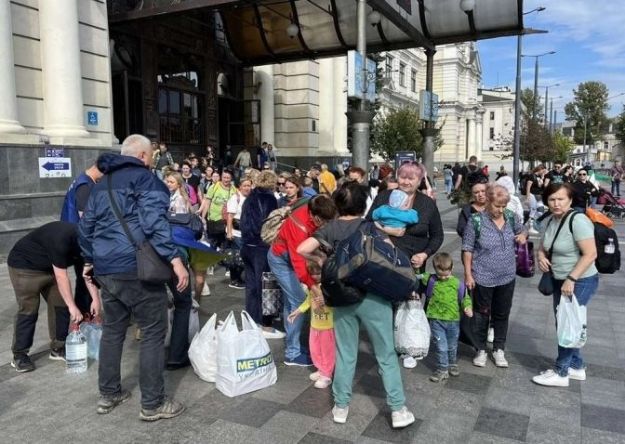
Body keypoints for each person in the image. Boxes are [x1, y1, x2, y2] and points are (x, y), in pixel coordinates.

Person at [78, 134, 189, 421]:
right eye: (151, 155)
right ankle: (152, 403)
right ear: (141, 155)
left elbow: (85, 227)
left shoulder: (101, 184)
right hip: (135, 267)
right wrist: (175, 259)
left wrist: (90, 259)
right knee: (153, 331)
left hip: (106, 268)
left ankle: (109, 393)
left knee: (113, 331)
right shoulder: (147, 181)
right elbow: (155, 224)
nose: (152, 159)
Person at [296, 182, 415, 429]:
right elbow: (390, 255)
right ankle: (398, 409)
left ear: (338, 204)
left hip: (341, 298)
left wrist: (323, 259)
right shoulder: (371, 226)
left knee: (345, 353)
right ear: (364, 205)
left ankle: (340, 407)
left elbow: (301, 248)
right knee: (386, 354)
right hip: (373, 296)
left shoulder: (329, 228)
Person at [8, 221, 101, 372]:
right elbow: (62, 277)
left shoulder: (88, 242)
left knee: (61, 306)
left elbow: (88, 272)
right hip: (25, 267)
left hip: (49, 267)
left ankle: (58, 348)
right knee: (29, 310)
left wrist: (96, 300)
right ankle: (19, 355)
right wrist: (73, 307)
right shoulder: (61, 239)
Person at [533, 182, 598, 387]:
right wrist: (540, 256)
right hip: (559, 278)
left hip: (580, 279)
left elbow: (591, 254)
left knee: (567, 325)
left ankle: (561, 372)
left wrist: (571, 279)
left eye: (561, 199)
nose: (556, 203)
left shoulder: (578, 220)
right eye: (552, 199)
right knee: (567, 323)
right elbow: (544, 246)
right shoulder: (551, 220)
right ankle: (576, 366)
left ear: (570, 200)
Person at [462, 184, 528, 368]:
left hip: (507, 275)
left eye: (503, 206)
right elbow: (467, 249)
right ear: (488, 202)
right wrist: (468, 274)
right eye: (497, 206)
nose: (500, 210)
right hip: (483, 276)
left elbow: (523, 230)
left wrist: (523, 235)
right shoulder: (475, 221)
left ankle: (499, 348)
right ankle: (481, 349)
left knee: (502, 313)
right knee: (481, 314)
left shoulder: (511, 217)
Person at [268, 194, 337, 366]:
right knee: (298, 300)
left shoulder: (315, 207)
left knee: (291, 301)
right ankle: (292, 353)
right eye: (324, 221)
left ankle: (295, 344)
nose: (327, 225)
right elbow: (299, 266)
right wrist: (315, 289)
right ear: (314, 215)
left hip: (290, 255)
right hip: (280, 260)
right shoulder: (299, 227)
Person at [368, 163, 444, 275]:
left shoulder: (427, 203)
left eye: (411, 179)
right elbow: (367, 222)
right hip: (382, 260)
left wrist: (424, 254)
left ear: (419, 181)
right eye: (403, 177)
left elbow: (437, 235)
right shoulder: (384, 196)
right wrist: (387, 231)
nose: (406, 182)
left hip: (412, 265)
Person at [239, 170, 283, 338]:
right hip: (261, 246)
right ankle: (267, 325)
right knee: (267, 285)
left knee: (251, 286)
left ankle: (251, 321)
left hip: (246, 245)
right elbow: (270, 222)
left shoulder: (250, 196)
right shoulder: (269, 198)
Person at [420, 252, 473, 382]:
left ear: (452, 269)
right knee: (441, 346)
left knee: (452, 345)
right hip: (436, 320)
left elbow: (465, 298)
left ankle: (452, 363)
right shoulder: (431, 279)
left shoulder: (457, 284)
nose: (443, 278)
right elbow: (417, 276)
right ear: (435, 270)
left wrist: (468, 307)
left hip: (453, 321)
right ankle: (443, 369)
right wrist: (417, 265)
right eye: (439, 275)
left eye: (446, 275)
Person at [60, 162, 104, 313]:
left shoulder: (82, 180)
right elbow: (86, 218)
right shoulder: (85, 185)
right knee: (86, 279)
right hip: (81, 240)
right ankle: (86, 315)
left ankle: (86, 315)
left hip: (76, 236)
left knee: (84, 279)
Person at [287, 261, 335, 389]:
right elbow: (308, 301)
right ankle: (320, 369)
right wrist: (297, 312)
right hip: (315, 325)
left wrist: (328, 300)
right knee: (315, 349)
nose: (315, 277)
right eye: (312, 274)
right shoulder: (312, 287)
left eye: (318, 273)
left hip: (327, 326)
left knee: (327, 351)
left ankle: (327, 375)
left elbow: (337, 303)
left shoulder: (329, 287)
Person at [225, 176, 252, 289]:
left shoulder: (250, 198)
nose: (247, 188)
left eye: (249, 185)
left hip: (245, 232)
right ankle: (234, 279)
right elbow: (230, 216)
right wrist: (229, 232)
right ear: (240, 187)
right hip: (236, 232)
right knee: (237, 256)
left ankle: (237, 278)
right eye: (245, 185)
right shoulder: (235, 198)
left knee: (240, 255)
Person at [524, 164, 547, 234]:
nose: (544, 172)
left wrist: (542, 178)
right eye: (543, 171)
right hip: (532, 194)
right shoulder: (531, 176)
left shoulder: (539, 176)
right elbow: (528, 187)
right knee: (533, 210)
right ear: (540, 169)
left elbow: (539, 186)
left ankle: (528, 220)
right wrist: (527, 197)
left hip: (538, 195)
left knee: (541, 211)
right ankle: (530, 227)